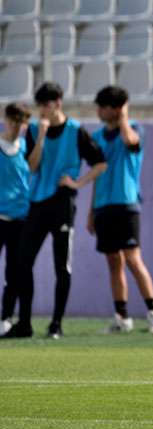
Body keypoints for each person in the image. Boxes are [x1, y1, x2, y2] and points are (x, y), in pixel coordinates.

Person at [5, 82, 107, 339]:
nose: (42, 110)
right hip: (37, 203)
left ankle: (56, 324)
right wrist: (40, 137)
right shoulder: (35, 131)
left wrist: (77, 183)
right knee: (22, 262)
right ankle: (24, 324)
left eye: (46, 105)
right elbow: (32, 167)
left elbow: (100, 163)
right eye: (39, 106)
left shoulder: (76, 131)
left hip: (62, 204)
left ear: (58, 103)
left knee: (62, 266)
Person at [90, 85, 153, 335]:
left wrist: (123, 117)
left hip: (126, 204)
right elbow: (96, 174)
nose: (98, 112)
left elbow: (130, 142)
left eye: (102, 107)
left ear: (115, 108)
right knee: (113, 261)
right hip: (103, 206)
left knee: (133, 259)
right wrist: (91, 211)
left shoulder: (134, 128)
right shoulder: (97, 137)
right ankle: (121, 316)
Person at [0, 103, 32, 337]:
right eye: (13, 120)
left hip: (21, 220)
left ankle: (6, 317)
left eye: (20, 122)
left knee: (14, 272)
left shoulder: (27, 148)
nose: (15, 126)